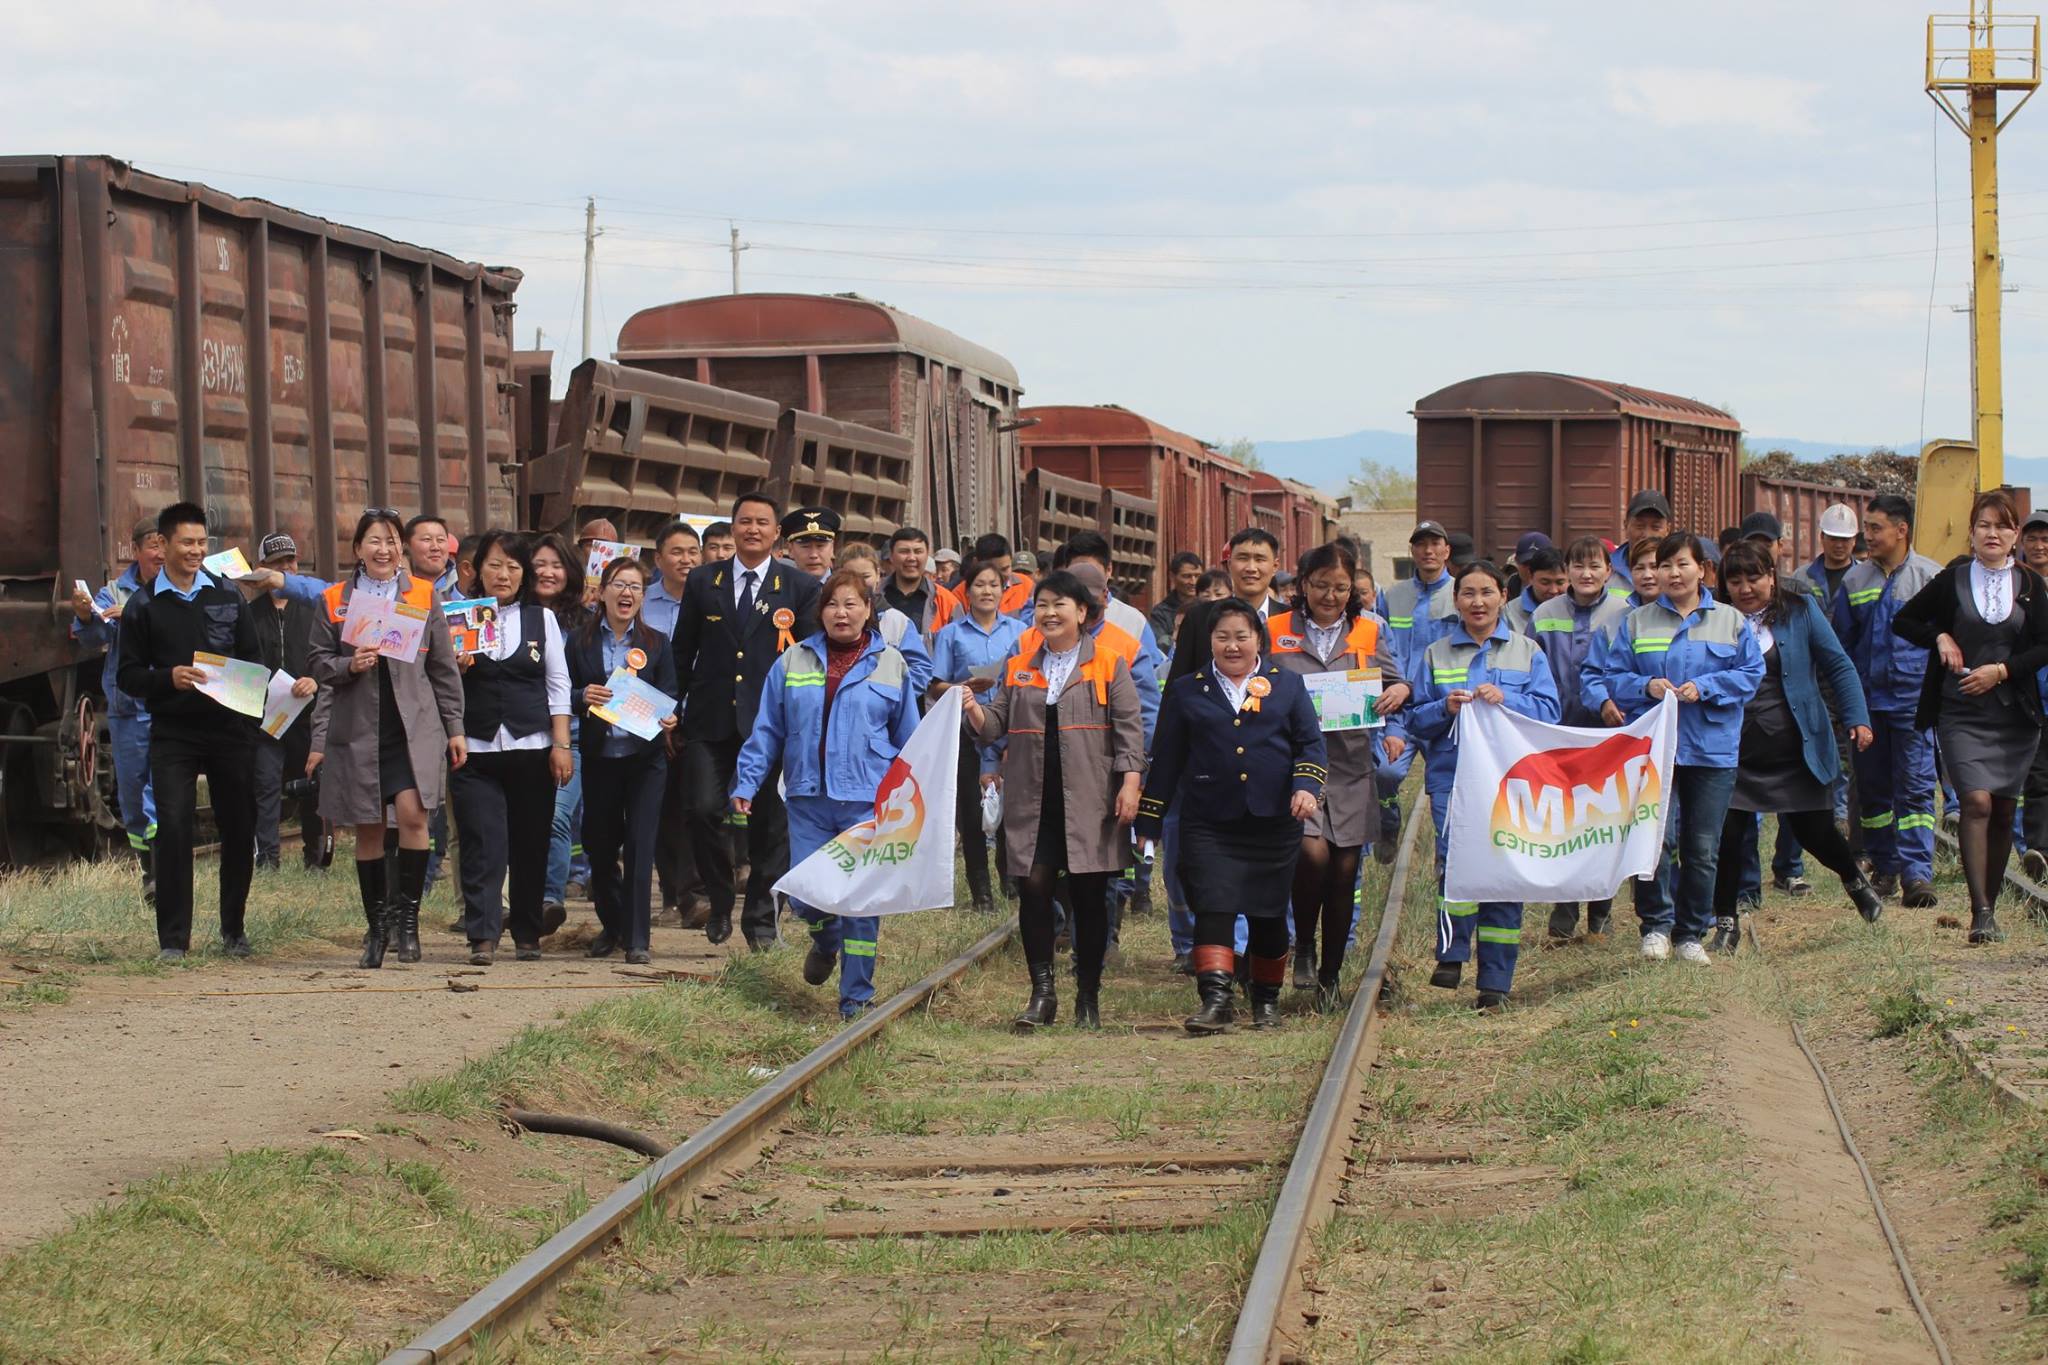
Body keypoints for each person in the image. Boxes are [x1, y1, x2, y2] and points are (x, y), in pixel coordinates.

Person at [961, 571, 1145, 1030]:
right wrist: (971, 709)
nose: (1049, 613)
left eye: (1059, 604)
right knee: (1035, 887)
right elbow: (995, 723)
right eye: (1041, 604)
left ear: (1082, 613)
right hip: (1032, 796)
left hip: (1090, 798)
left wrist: (1130, 784)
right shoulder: (1020, 665)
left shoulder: (1108, 663)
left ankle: (1088, 996)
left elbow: (1129, 731)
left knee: (1088, 895)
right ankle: (1042, 993)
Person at [1137, 598, 1326, 1032]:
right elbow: (1165, 759)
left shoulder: (1287, 685)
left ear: (1258, 638)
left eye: (1241, 636)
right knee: (1214, 906)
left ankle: (1265, 1001)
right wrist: (1149, 821)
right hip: (1210, 821)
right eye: (1222, 637)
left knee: (1269, 913)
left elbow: (1310, 745)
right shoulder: (1187, 690)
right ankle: (1216, 1001)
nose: (1232, 646)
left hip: (1273, 820)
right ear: (1210, 642)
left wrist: (1305, 787)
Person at [738, 569, 921, 1016]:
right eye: (833, 604)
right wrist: (746, 781)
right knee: (806, 895)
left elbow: (910, 740)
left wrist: (913, 799)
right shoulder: (793, 660)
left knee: (860, 904)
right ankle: (826, 940)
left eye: (852, 603)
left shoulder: (891, 663)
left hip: (866, 802)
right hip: (808, 799)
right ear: (820, 611)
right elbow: (767, 730)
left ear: (868, 610)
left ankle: (856, 999)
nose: (842, 612)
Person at [1587, 532, 1764, 963]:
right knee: (1655, 841)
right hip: (1655, 751)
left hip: (1712, 749)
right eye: (1664, 566)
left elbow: (1751, 673)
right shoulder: (1637, 622)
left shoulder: (1730, 620)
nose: (1671, 573)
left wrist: (1705, 687)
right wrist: (1646, 685)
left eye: (1681, 564)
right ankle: (1655, 927)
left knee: (1703, 846)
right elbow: (1615, 676)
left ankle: (1690, 933)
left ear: (1702, 569)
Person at [307, 510, 467, 968]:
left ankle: (408, 924)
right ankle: (377, 930)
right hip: (358, 729)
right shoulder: (334, 599)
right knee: (370, 825)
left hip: (412, 726)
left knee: (415, 816)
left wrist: (455, 729)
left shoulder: (423, 593)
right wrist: (347, 666)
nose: (384, 550)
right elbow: (317, 661)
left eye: (392, 541)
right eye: (374, 541)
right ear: (357, 548)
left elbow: (442, 668)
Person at [1398, 560, 1560, 1008]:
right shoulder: (1436, 653)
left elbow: (1550, 711)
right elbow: (1414, 719)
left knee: (1504, 872)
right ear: (1457, 601)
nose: (1478, 602)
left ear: (1502, 597)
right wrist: (1444, 709)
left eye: (1487, 592)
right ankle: (1451, 955)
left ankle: (1495, 982)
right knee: (1455, 863)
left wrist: (1510, 698)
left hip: (1511, 780)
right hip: (1453, 777)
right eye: (1468, 593)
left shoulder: (1528, 652)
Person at [1893, 490, 2048, 944]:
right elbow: (1904, 620)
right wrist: (1940, 634)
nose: (1993, 533)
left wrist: (2003, 670)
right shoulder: (1952, 580)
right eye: (1985, 525)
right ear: (1972, 532)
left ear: (2015, 535)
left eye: (2003, 526)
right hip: (1961, 710)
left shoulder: (2032, 587)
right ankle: (1979, 910)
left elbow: (2044, 645)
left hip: (2014, 715)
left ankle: (1992, 906)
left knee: (2002, 808)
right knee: (1976, 802)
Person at [1710, 542, 1882, 948]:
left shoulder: (1801, 611)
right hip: (1734, 750)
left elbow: (1838, 664)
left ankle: (1854, 879)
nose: (1745, 588)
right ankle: (1726, 923)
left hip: (1796, 746)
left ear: (1772, 575)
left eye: (1754, 578)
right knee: (1728, 835)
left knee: (1815, 831)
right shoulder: (1714, 619)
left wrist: (1857, 717)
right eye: (1735, 581)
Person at [671, 492, 822, 949]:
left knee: (770, 828)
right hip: (709, 721)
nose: (752, 529)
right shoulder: (703, 580)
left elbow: (811, 660)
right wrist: (670, 710)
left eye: (762, 522)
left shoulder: (799, 588)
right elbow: (683, 651)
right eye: (744, 522)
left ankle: (760, 921)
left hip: (772, 725)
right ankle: (719, 899)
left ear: (777, 533)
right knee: (700, 810)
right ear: (732, 529)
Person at [114, 503, 263, 962]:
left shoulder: (226, 596)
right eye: (187, 543)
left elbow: (253, 661)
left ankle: (233, 931)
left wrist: (253, 714)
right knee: (174, 828)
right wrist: (168, 678)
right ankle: (173, 941)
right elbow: (128, 676)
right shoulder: (143, 606)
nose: (197, 550)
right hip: (173, 733)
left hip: (227, 730)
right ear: (162, 544)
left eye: (202, 543)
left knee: (239, 827)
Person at [1268, 543, 1407, 1007]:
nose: (1331, 595)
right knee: (1312, 857)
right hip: (1295, 767)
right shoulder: (1274, 630)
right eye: (1321, 585)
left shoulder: (1369, 630)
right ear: (1303, 584)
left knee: (1345, 870)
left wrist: (1398, 694)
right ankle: (1302, 943)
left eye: (1341, 587)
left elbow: (1395, 681)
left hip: (1350, 765)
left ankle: (1330, 976)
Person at [447, 531, 574, 964]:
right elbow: (439, 684)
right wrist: (455, 666)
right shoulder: (457, 618)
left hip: (532, 744)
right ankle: (482, 934)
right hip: (475, 747)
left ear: (524, 576)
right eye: (495, 565)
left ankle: (526, 931)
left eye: (514, 567)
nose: (504, 575)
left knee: (530, 841)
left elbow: (558, 684)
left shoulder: (543, 621)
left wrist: (562, 744)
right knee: (482, 842)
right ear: (477, 570)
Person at [1833, 494, 1944, 908]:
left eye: (1876, 528)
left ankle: (1918, 875)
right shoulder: (1854, 582)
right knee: (1874, 793)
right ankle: (1885, 868)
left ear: (1902, 530)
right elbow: (1841, 649)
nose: (1868, 535)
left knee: (1915, 792)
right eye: (1867, 527)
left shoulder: (1931, 579)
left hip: (1914, 704)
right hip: (1867, 706)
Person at [570, 557, 679, 965]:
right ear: (602, 591)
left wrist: (672, 716)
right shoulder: (579, 642)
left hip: (645, 760)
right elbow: (561, 692)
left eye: (636, 586)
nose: (627, 593)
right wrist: (583, 696)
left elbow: (670, 693)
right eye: (619, 584)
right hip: (599, 758)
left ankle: (637, 940)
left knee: (639, 845)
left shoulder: (656, 643)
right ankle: (613, 923)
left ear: (642, 596)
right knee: (599, 845)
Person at [1531, 535, 1631, 941]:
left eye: (1595, 567)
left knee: (1603, 821)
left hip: (1608, 732)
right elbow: (1530, 664)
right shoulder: (1544, 613)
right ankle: (1566, 904)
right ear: (1566, 572)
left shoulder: (1625, 611)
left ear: (1609, 571)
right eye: (1578, 566)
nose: (1586, 574)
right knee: (1563, 823)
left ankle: (1601, 908)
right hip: (1558, 731)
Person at [71, 516, 164, 903]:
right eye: (154, 546)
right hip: (127, 709)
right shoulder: (114, 591)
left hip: (168, 706)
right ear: (138, 550)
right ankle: (147, 869)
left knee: (158, 791)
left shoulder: (181, 589)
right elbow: (95, 635)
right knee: (130, 795)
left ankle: (162, 874)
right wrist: (83, 614)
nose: (161, 553)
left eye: (165, 544)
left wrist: (136, 616)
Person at [927, 558, 1028, 915]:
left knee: (1012, 810)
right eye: (980, 585)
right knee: (971, 813)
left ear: (1004, 591)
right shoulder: (950, 634)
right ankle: (981, 893)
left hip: (1010, 727)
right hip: (966, 730)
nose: (987, 591)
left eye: (994, 585)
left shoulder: (1019, 632)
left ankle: (1011, 882)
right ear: (966, 591)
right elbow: (935, 683)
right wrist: (962, 687)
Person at [1375, 520, 1460, 861]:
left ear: (1446, 551)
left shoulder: (1461, 593)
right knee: (1385, 772)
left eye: (1435, 543)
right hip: (1400, 705)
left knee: (1451, 783)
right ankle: (1388, 819)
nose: (1428, 550)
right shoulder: (1393, 596)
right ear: (1412, 551)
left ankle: (1449, 852)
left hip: (1442, 703)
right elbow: (1378, 647)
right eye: (1421, 544)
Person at [248, 534, 323, 871]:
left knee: (312, 787)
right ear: (261, 569)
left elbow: (329, 657)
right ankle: (267, 859)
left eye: (290, 561)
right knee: (265, 786)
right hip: (266, 718)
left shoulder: (312, 609)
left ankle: (316, 857)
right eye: (277, 563)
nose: (285, 568)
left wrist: (316, 682)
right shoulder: (248, 614)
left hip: (307, 715)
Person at [529, 533, 591, 926]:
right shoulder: (509, 615)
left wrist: (578, 695)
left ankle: (548, 899)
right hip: (519, 732)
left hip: (573, 735)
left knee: (555, 815)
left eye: (557, 565)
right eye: (540, 565)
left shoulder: (586, 624)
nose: (549, 573)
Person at [2022, 512, 2048, 879]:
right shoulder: (2016, 586)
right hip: (2030, 698)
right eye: (2033, 539)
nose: (2040, 546)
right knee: (2038, 777)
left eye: (2045, 538)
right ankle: (2039, 853)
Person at [881, 526, 958, 641]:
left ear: (927, 556)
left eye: (918, 551)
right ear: (891, 557)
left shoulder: (947, 602)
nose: (911, 558)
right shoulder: (874, 596)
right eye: (904, 551)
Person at [952, 533, 1036, 617]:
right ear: (976, 563)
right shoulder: (959, 595)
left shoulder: (1027, 586)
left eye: (1005, 569)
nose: (999, 577)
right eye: (993, 570)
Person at [640, 520, 700, 638]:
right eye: (677, 552)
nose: (686, 560)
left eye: (693, 552)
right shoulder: (639, 600)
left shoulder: (712, 602)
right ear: (658, 559)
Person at [1504, 546, 1567, 636]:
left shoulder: (1579, 608)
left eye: (1560, 582)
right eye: (1545, 582)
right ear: (1530, 577)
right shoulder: (1510, 613)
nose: (1553, 590)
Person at [1150, 551, 1205, 652]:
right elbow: (1160, 646)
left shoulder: (1209, 606)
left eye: (1197, 576)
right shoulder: (1161, 613)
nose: (1193, 582)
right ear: (1172, 577)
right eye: (1186, 576)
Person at [1226, 527, 1287, 618]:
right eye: (1243, 558)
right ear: (1229, 564)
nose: (1251, 568)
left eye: (1260, 559)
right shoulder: (1203, 616)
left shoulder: (1292, 619)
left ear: (1275, 566)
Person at [1613, 491, 1672, 585]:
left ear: (1668, 530)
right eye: (1639, 526)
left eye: (1655, 527)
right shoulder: (1607, 569)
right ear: (1625, 525)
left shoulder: (1677, 574)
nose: (1647, 535)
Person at [782, 506, 840, 583]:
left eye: (820, 546)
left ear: (832, 548)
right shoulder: (777, 588)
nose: (813, 555)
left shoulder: (846, 588)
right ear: (790, 550)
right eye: (805, 546)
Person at [405, 515, 458, 598]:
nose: (435, 547)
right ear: (407, 546)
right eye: (427, 539)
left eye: (440, 540)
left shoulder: (462, 584)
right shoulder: (396, 587)